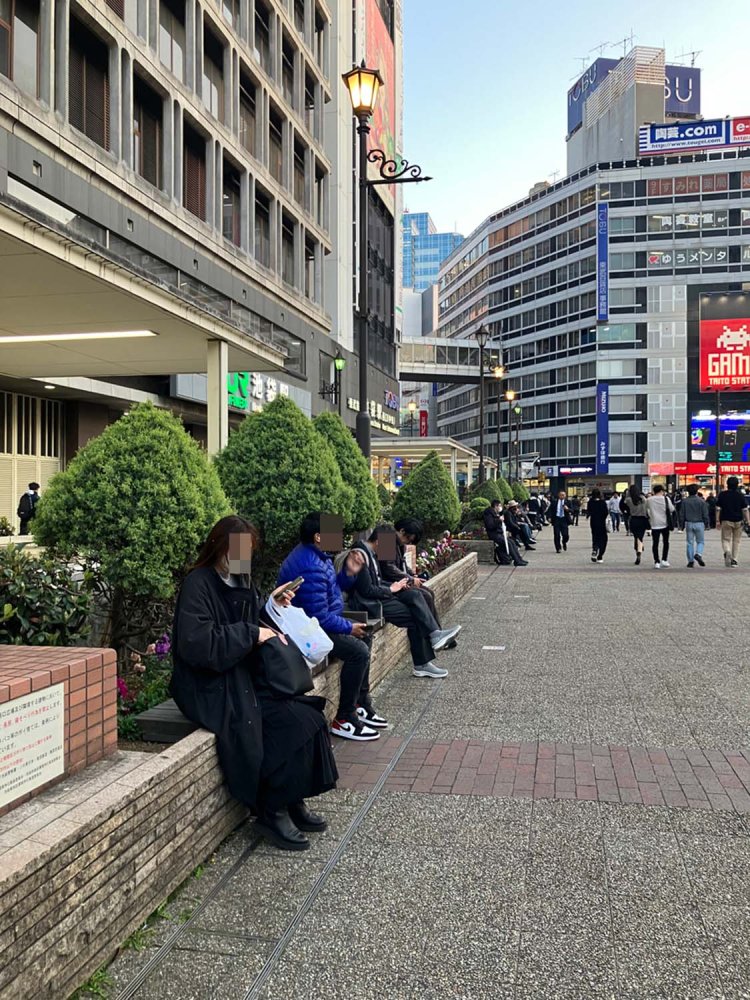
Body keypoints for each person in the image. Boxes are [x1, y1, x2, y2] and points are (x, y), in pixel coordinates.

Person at [171, 516, 337, 852]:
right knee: (266, 724)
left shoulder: (241, 579)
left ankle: (292, 797)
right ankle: (269, 808)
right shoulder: (198, 583)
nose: (244, 555)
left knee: (308, 715)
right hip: (208, 682)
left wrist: (271, 606)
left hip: (241, 672)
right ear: (220, 545)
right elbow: (197, 643)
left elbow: (251, 625)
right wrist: (251, 633)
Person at [277, 513, 384, 742]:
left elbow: (331, 589)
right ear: (318, 536)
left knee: (365, 636)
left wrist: (348, 573)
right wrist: (348, 627)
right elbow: (318, 616)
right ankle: (344, 718)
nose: (340, 537)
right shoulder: (309, 565)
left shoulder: (318, 557)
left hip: (317, 623)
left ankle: (360, 703)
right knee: (358, 651)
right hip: (305, 632)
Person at [348, 526, 461, 679]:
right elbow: (366, 591)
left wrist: (398, 585)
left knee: (416, 597)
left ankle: (431, 646)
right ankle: (424, 659)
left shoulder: (370, 553)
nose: (389, 554)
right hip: (370, 604)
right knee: (416, 616)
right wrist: (391, 589)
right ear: (378, 541)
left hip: (379, 596)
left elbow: (377, 582)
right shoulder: (359, 555)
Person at [378, 517, 456, 646]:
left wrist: (412, 574)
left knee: (428, 593)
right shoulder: (387, 539)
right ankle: (435, 635)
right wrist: (410, 578)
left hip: (400, 581)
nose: (408, 542)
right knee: (423, 595)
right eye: (408, 538)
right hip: (390, 584)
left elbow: (401, 564)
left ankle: (437, 634)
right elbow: (388, 567)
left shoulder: (399, 544)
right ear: (402, 531)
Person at [716, 476, 750, 567]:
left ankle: (727, 551)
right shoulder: (740, 495)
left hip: (726, 520)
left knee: (725, 539)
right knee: (736, 541)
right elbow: (745, 510)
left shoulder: (722, 495)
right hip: (738, 521)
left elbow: (718, 509)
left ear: (727, 484)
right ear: (737, 485)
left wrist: (717, 521)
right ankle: (734, 560)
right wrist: (748, 521)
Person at [483, 500, 527, 566]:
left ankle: (519, 559)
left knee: (512, 542)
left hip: (499, 533)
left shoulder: (496, 513)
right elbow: (490, 525)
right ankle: (516, 560)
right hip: (494, 534)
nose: (500, 508)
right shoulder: (488, 514)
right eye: (499, 506)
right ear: (496, 506)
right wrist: (499, 520)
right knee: (508, 543)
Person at [679, 484, 709, 568]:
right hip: (699, 523)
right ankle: (698, 554)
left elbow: (682, 514)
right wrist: (707, 524)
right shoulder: (702, 501)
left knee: (689, 542)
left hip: (689, 523)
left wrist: (681, 525)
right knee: (700, 541)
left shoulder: (685, 501)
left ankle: (690, 561)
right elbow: (705, 514)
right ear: (697, 491)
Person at [646, 484, 675, 568]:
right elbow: (672, 509)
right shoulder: (666, 499)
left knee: (655, 543)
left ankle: (656, 561)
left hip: (654, 524)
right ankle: (664, 559)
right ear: (662, 491)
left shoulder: (649, 500)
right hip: (665, 523)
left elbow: (646, 509)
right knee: (666, 542)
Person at [625, 485, 649, 565]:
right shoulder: (643, 499)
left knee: (636, 537)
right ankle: (639, 550)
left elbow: (623, 504)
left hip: (634, 519)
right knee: (640, 537)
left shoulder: (628, 500)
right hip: (643, 519)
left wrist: (628, 494)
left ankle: (638, 550)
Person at [587, 488, 609, 563]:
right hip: (601, 522)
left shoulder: (590, 502)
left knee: (595, 537)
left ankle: (595, 549)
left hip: (593, 522)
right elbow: (606, 512)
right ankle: (600, 556)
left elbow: (589, 511)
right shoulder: (602, 502)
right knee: (603, 539)